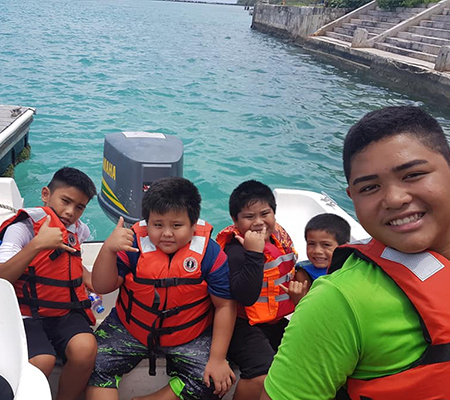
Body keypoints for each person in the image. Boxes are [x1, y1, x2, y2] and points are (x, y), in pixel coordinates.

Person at [261, 105, 450, 400]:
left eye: (413, 174)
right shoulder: (336, 302)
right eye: (370, 187)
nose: (394, 199)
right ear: (352, 196)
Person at [86, 177, 236, 400]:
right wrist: (109, 249)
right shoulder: (132, 244)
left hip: (189, 335)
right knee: (92, 365)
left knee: (215, 381)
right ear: (147, 223)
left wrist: (217, 358)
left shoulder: (211, 255)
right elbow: (101, 286)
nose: (166, 233)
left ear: (194, 225)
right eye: (158, 225)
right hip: (130, 328)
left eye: (176, 225)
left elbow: (225, 306)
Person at [0, 167, 98, 400]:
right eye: (65, 201)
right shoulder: (22, 228)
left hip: (63, 311)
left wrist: (85, 277)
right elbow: (2, 277)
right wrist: (37, 245)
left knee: (85, 348)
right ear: (46, 194)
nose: (70, 212)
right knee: (42, 361)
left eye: (79, 207)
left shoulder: (79, 230)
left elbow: (68, 261)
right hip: (25, 314)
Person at [216, 180, 308, 400]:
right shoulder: (235, 252)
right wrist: (255, 254)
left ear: (274, 214)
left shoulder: (278, 240)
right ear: (235, 221)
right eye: (249, 217)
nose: (258, 222)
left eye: (265, 213)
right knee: (261, 372)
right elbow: (245, 297)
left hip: (273, 321)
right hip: (242, 324)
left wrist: (299, 297)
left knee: (308, 355)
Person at [295, 213, 350, 287]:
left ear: (344, 247)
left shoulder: (351, 268)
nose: (317, 251)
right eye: (311, 244)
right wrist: (297, 297)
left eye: (326, 245)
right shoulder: (303, 272)